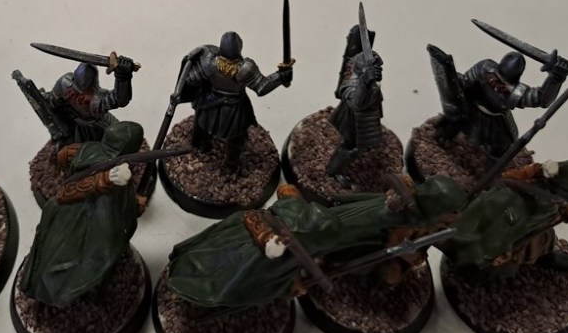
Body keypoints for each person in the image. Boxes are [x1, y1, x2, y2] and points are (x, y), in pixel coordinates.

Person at [165, 177, 468, 309]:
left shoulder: (417, 215)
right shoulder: (402, 211)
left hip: (330, 234)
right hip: (348, 239)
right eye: (451, 212)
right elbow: (381, 229)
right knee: (387, 274)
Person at [19, 121, 144, 307]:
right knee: (70, 259)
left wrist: (134, 202)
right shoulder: (112, 173)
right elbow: (69, 190)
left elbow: (64, 155)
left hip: (79, 214)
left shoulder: (88, 150)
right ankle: (53, 292)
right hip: (81, 220)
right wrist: (106, 180)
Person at [441, 159, 568, 274]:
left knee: (544, 237)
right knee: (536, 242)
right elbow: (538, 220)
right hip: (503, 229)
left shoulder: (539, 184)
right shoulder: (541, 203)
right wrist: (565, 210)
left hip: (495, 217)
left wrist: (566, 206)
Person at [176, 31, 292, 171]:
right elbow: (261, 87)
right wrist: (280, 77)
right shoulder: (245, 69)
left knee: (203, 125)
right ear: (240, 49)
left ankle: (202, 146)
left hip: (209, 103)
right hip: (234, 109)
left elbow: (191, 79)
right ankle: (230, 165)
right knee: (236, 137)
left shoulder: (208, 62)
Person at [432, 46, 568, 159]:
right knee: (454, 120)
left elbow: (541, 99)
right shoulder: (484, 67)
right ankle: (442, 137)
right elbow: (465, 83)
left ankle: (493, 165)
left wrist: (556, 77)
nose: (496, 85)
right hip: (471, 105)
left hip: (495, 117)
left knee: (503, 144)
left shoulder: (517, 91)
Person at [326, 25, 385, 180]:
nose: (378, 70)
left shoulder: (372, 82)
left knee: (359, 147)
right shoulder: (351, 82)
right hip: (352, 121)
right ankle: (334, 171)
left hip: (366, 120)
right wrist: (365, 81)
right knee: (349, 147)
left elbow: (375, 101)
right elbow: (355, 103)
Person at [46, 57, 135, 150]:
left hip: (98, 124)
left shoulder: (97, 100)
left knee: (122, 140)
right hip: (74, 123)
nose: (80, 98)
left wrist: (123, 76)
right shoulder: (64, 84)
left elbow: (120, 99)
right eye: (77, 92)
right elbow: (52, 103)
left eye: (85, 93)